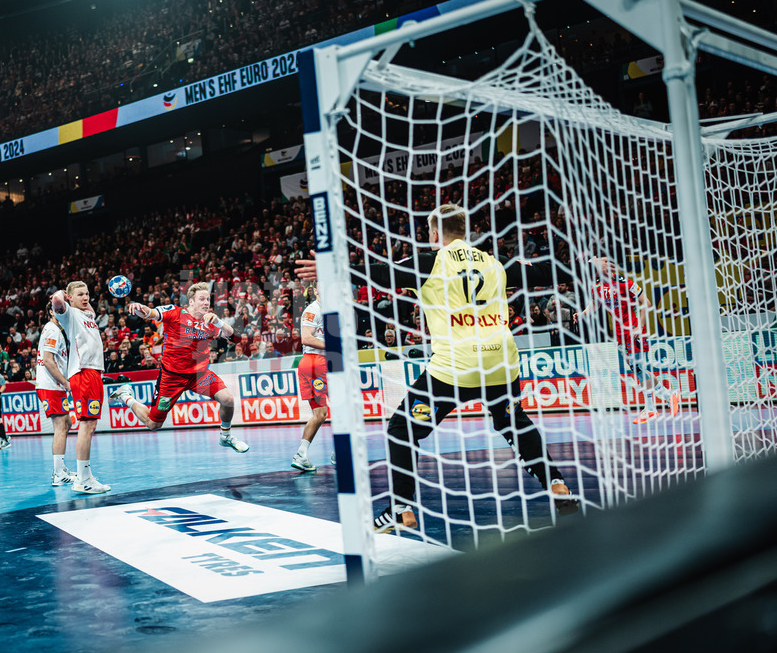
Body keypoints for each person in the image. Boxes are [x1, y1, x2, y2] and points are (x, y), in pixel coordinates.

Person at [296, 205, 606, 532]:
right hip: (502, 362)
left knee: (403, 429)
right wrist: (589, 265)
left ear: (433, 235)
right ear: (464, 231)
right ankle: (557, 484)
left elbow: (381, 272)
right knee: (512, 421)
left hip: (455, 368)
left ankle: (400, 509)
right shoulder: (492, 262)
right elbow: (544, 271)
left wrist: (331, 269)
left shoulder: (432, 263)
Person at [112, 281, 250, 452]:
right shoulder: (174, 312)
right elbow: (150, 313)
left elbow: (235, 338)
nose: (206, 303)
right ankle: (125, 396)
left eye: (208, 299)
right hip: (171, 377)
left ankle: (226, 436)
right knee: (153, 424)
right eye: (201, 299)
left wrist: (219, 322)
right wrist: (139, 307)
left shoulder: (210, 321)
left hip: (199, 375)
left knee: (228, 399)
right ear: (191, 301)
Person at [574, 268, 680, 424]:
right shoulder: (597, 286)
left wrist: (639, 327)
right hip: (620, 335)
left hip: (633, 331)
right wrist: (582, 313)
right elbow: (596, 304)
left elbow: (647, 302)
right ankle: (668, 396)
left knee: (638, 368)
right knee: (638, 369)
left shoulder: (623, 283)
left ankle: (651, 408)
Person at [50, 281, 111, 494]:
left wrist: (85, 304)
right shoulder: (70, 315)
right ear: (71, 298)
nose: (85, 298)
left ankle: (85, 475)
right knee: (86, 425)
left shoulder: (88, 316)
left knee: (90, 425)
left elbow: (90, 310)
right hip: (83, 373)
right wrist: (63, 297)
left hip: (93, 373)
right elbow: (57, 301)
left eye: (87, 294)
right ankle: (83, 479)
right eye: (80, 294)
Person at [36, 303, 77, 487]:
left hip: (54, 386)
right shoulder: (53, 330)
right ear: (51, 312)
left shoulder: (55, 330)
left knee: (66, 423)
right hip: (51, 385)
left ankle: (60, 467)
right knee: (61, 426)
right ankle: (59, 473)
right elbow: (48, 361)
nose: (62, 313)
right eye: (58, 310)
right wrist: (66, 383)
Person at [291, 289, 328, 473]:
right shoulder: (313, 310)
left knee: (337, 408)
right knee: (320, 413)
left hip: (324, 362)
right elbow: (306, 338)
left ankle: (302, 454)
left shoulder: (330, 309)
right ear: (315, 290)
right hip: (314, 363)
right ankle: (301, 454)